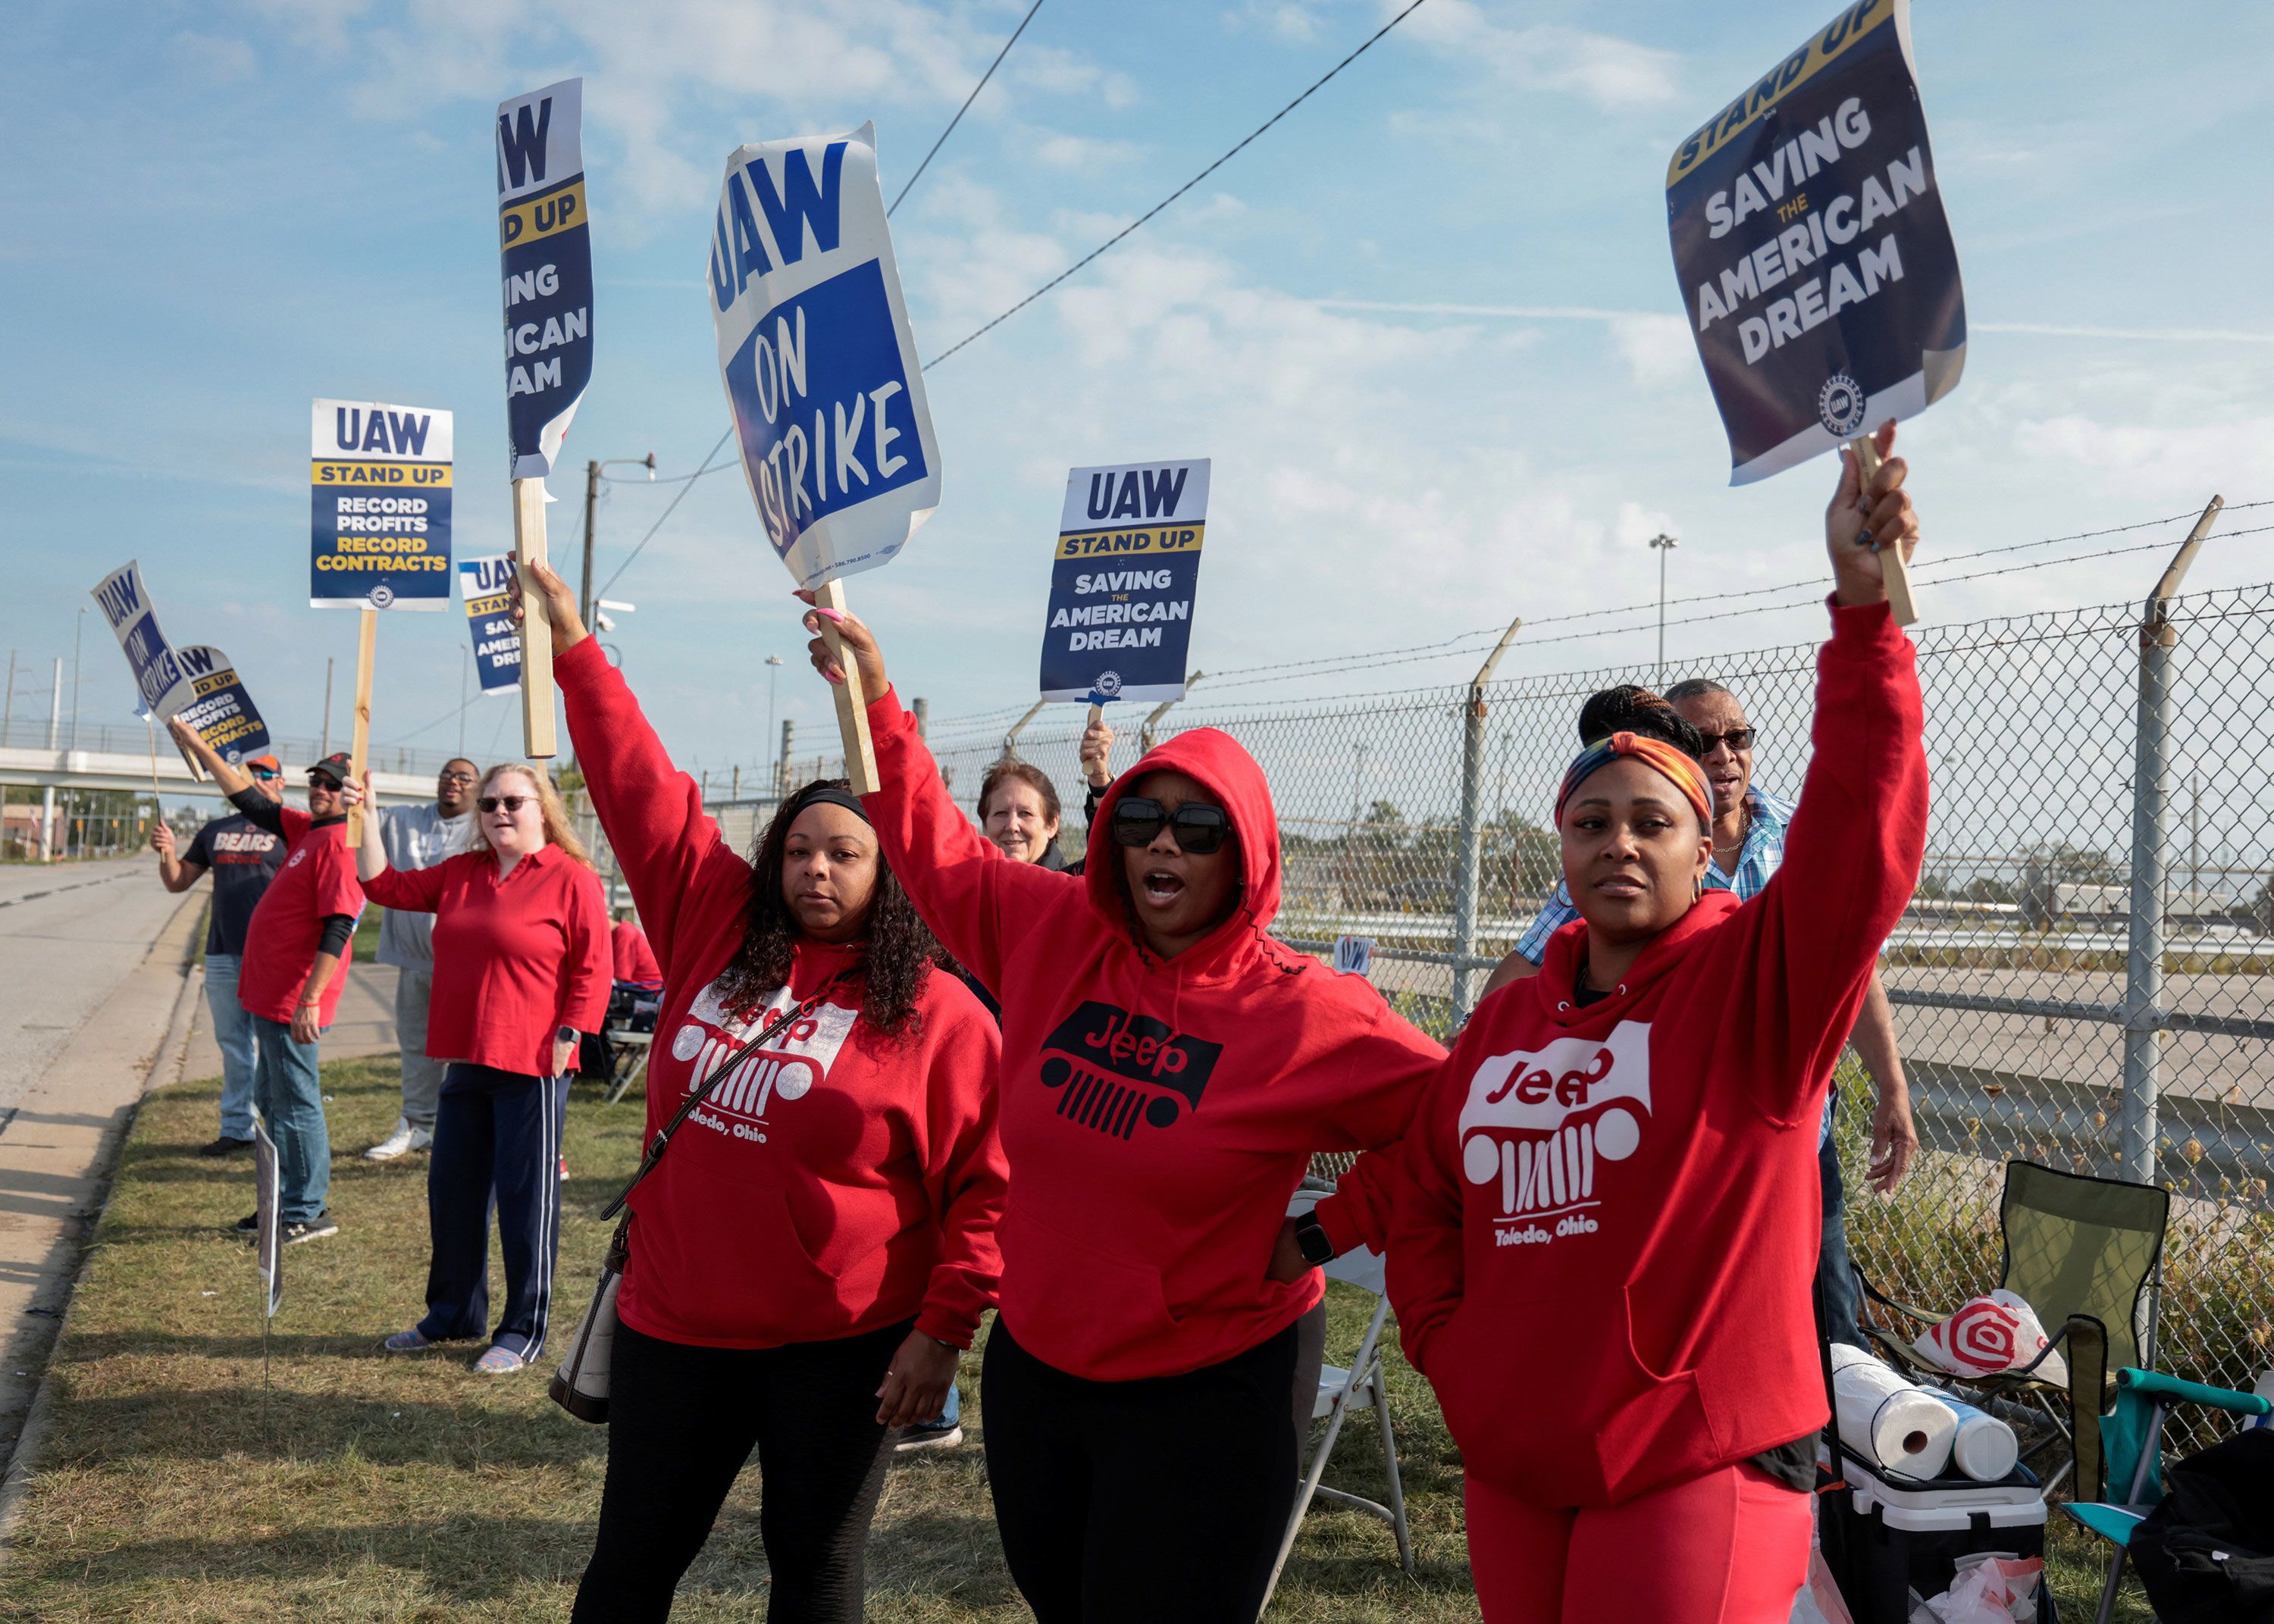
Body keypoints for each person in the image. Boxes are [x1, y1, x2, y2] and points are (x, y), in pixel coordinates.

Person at [799, 593, 1448, 1624]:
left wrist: (1330, 1228)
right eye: (1142, 821)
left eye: (1199, 829)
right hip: (1043, 1365)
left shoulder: (1307, 1009)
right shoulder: (1058, 930)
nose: (1165, 848)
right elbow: (935, 849)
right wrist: (876, 699)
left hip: (1212, 1379)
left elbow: (1458, 1118)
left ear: (1247, 855)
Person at [1388, 424, 1927, 1624]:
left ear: (1704, 845)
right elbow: (1425, 1183)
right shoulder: (1514, 1014)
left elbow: (1862, 835)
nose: (1618, 842)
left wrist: (1863, 617)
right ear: (1561, 844)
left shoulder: (1753, 988)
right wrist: (1449, 1346)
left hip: (1698, 1454)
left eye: (1651, 821)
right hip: (1517, 1459)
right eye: (1591, 822)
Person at [512, 563, 1007, 1624]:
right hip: (677, 1324)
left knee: (814, 1570)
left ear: (892, 874)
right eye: (798, 849)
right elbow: (641, 788)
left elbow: (987, 1189)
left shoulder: (939, 1014)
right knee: (632, 1560)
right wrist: (574, 648)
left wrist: (943, 1329)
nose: (816, 869)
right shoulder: (713, 928)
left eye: (845, 852)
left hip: (842, 1343)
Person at [1478, 675, 1918, 1350]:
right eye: (1703, 740)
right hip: (1691, 1145)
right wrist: (1475, 1059)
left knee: (1830, 1329)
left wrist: (1892, 1085)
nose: (1724, 755)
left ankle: (1832, 1451)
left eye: (1737, 737)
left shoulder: (1795, 838)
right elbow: (1530, 961)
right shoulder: (1639, 857)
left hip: (1802, 1134)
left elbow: (1853, 974)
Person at [355, 762, 609, 1372]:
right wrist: (365, 817)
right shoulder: (462, 873)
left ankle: (524, 1328)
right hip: (466, 1058)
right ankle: (452, 1314)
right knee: (454, 1194)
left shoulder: (572, 878)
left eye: (512, 801)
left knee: (526, 1202)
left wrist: (569, 1034)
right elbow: (383, 887)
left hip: (534, 1065)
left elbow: (593, 967)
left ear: (541, 808)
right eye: (489, 802)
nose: (498, 811)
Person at [169, 721, 364, 1245]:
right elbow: (249, 798)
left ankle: (307, 1208)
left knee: (296, 1101)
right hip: (269, 994)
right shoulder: (308, 831)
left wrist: (311, 998)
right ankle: (278, 1201)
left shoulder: (341, 844)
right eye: (317, 781)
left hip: (292, 1000)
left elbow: (340, 926)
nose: (320, 789)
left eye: (332, 784)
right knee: (271, 1097)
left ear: (352, 793)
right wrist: (197, 743)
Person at [149, 752, 287, 1156]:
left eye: (264, 774)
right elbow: (177, 883)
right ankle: (236, 1128)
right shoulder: (215, 830)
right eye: (248, 773)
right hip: (223, 952)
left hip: (271, 956)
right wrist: (167, 851)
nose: (256, 779)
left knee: (271, 1045)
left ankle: (275, 1127)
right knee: (232, 1042)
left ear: (280, 781)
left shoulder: (292, 827)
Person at [364, 758, 479, 1163]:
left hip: (464, 967)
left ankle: (462, 1130)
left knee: (465, 1053)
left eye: (465, 777)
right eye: (447, 774)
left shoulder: (484, 830)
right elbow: (356, 826)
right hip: (413, 959)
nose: (453, 782)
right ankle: (416, 1124)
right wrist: (359, 800)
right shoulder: (404, 819)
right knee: (416, 1045)